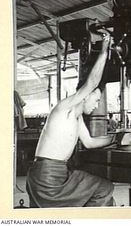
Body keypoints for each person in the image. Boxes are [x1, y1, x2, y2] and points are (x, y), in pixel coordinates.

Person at [26, 35, 115, 208]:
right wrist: (104, 50)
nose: (97, 105)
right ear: (86, 94)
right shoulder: (64, 108)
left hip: (55, 173)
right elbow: (92, 82)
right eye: (96, 100)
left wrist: (117, 139)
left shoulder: (76, 116)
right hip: (47, 175)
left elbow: (89, 143)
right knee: (104, 188)